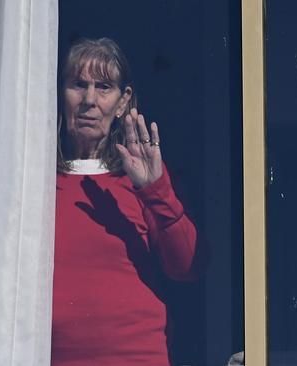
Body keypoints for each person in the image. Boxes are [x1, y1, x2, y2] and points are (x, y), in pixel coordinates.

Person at [53, 37, 198, 365]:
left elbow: (189, 266)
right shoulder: (31, 181)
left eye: (103, 87)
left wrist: (156, 189)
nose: (89, 100)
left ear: (123, 102)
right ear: (60, 93)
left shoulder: (142, 178)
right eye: (78, 84)